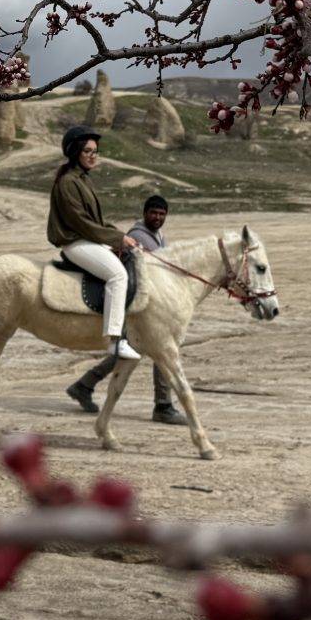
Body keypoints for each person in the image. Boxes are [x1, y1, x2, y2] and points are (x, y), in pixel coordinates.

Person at [66, 194, 186, 424]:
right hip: (136, 304)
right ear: (145, 213)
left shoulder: (158, 237)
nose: (158, 217)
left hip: (144, 303)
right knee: (159, 349)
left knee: (132, 351)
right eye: (154, 213)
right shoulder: (138, 236)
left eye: (162, 214)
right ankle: (163, 405)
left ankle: (84, 384)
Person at [47, 126, 143, 365]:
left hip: (87, 239)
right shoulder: (68, 182)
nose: (93, 155)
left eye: (95, 151)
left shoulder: (82, 179)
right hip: (76, 242)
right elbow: (81, 223)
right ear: (75, 152)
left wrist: (121, 236)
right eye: (87, 151)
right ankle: (115, 340)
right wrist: (117, 239)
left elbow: (96, 222)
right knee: (118, 276)